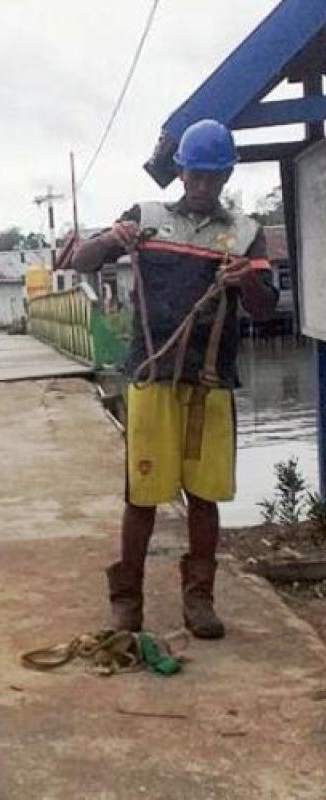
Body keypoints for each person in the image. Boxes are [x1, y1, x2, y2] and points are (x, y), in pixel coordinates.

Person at [69, 119, 277, 639]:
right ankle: (127, 600)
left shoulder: (247, 233)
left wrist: (245, 280)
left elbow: (265, 306)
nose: (204, 185)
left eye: (214, 176)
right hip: (152, 376)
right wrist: (113, 238)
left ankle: (199, 600)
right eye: (196, 174)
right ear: (181, 171)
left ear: (226, 175)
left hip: (210, 383)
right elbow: (83, 261)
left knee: (204, 498)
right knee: (142, 495)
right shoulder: (145, 217)